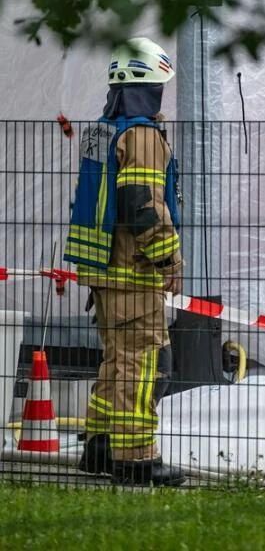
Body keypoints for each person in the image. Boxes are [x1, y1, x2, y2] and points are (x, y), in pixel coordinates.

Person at [64, 37, 186, 486]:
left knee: (115, 360)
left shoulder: (101, 130)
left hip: (101, 266)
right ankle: (135, 459)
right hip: (134, 269)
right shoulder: (142, 136)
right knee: (145, 360)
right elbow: (142, 202)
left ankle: (98, 449)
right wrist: (168, 257)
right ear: (150, 86)